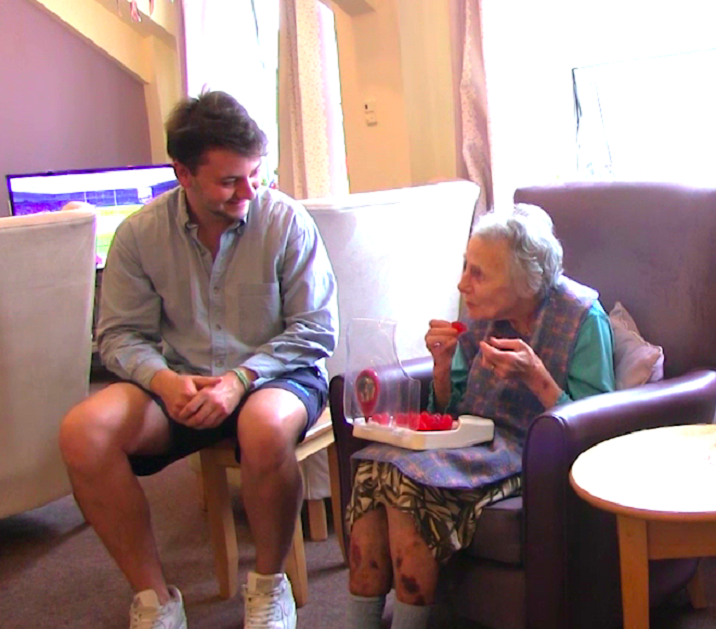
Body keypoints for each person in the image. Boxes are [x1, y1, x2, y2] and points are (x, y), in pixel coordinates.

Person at [59, 91, 338, 629]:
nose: (249, 190)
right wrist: (163, 382)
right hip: (177, 383)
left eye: (255, 173)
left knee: (262, 429)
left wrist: (239, 381)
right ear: (183, 174)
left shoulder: (285, 221)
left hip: (275, 373)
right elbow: (118, 336)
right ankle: (156, 598)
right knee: (82, 432)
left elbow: (316, 329)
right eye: (230, 180)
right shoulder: (140, 235)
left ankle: (267, 585)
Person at [345, 203, 615, 629]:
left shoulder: (581, 317)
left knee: (405, 487)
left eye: (478, 274)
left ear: (526, 282)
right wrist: (441, 367)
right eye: (465, 267)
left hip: (528, 449)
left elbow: (599, 427)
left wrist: (539, 380)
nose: (462, 284)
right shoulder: (479, 317)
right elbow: (452, 411)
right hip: (469, 439)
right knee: (374, 472)